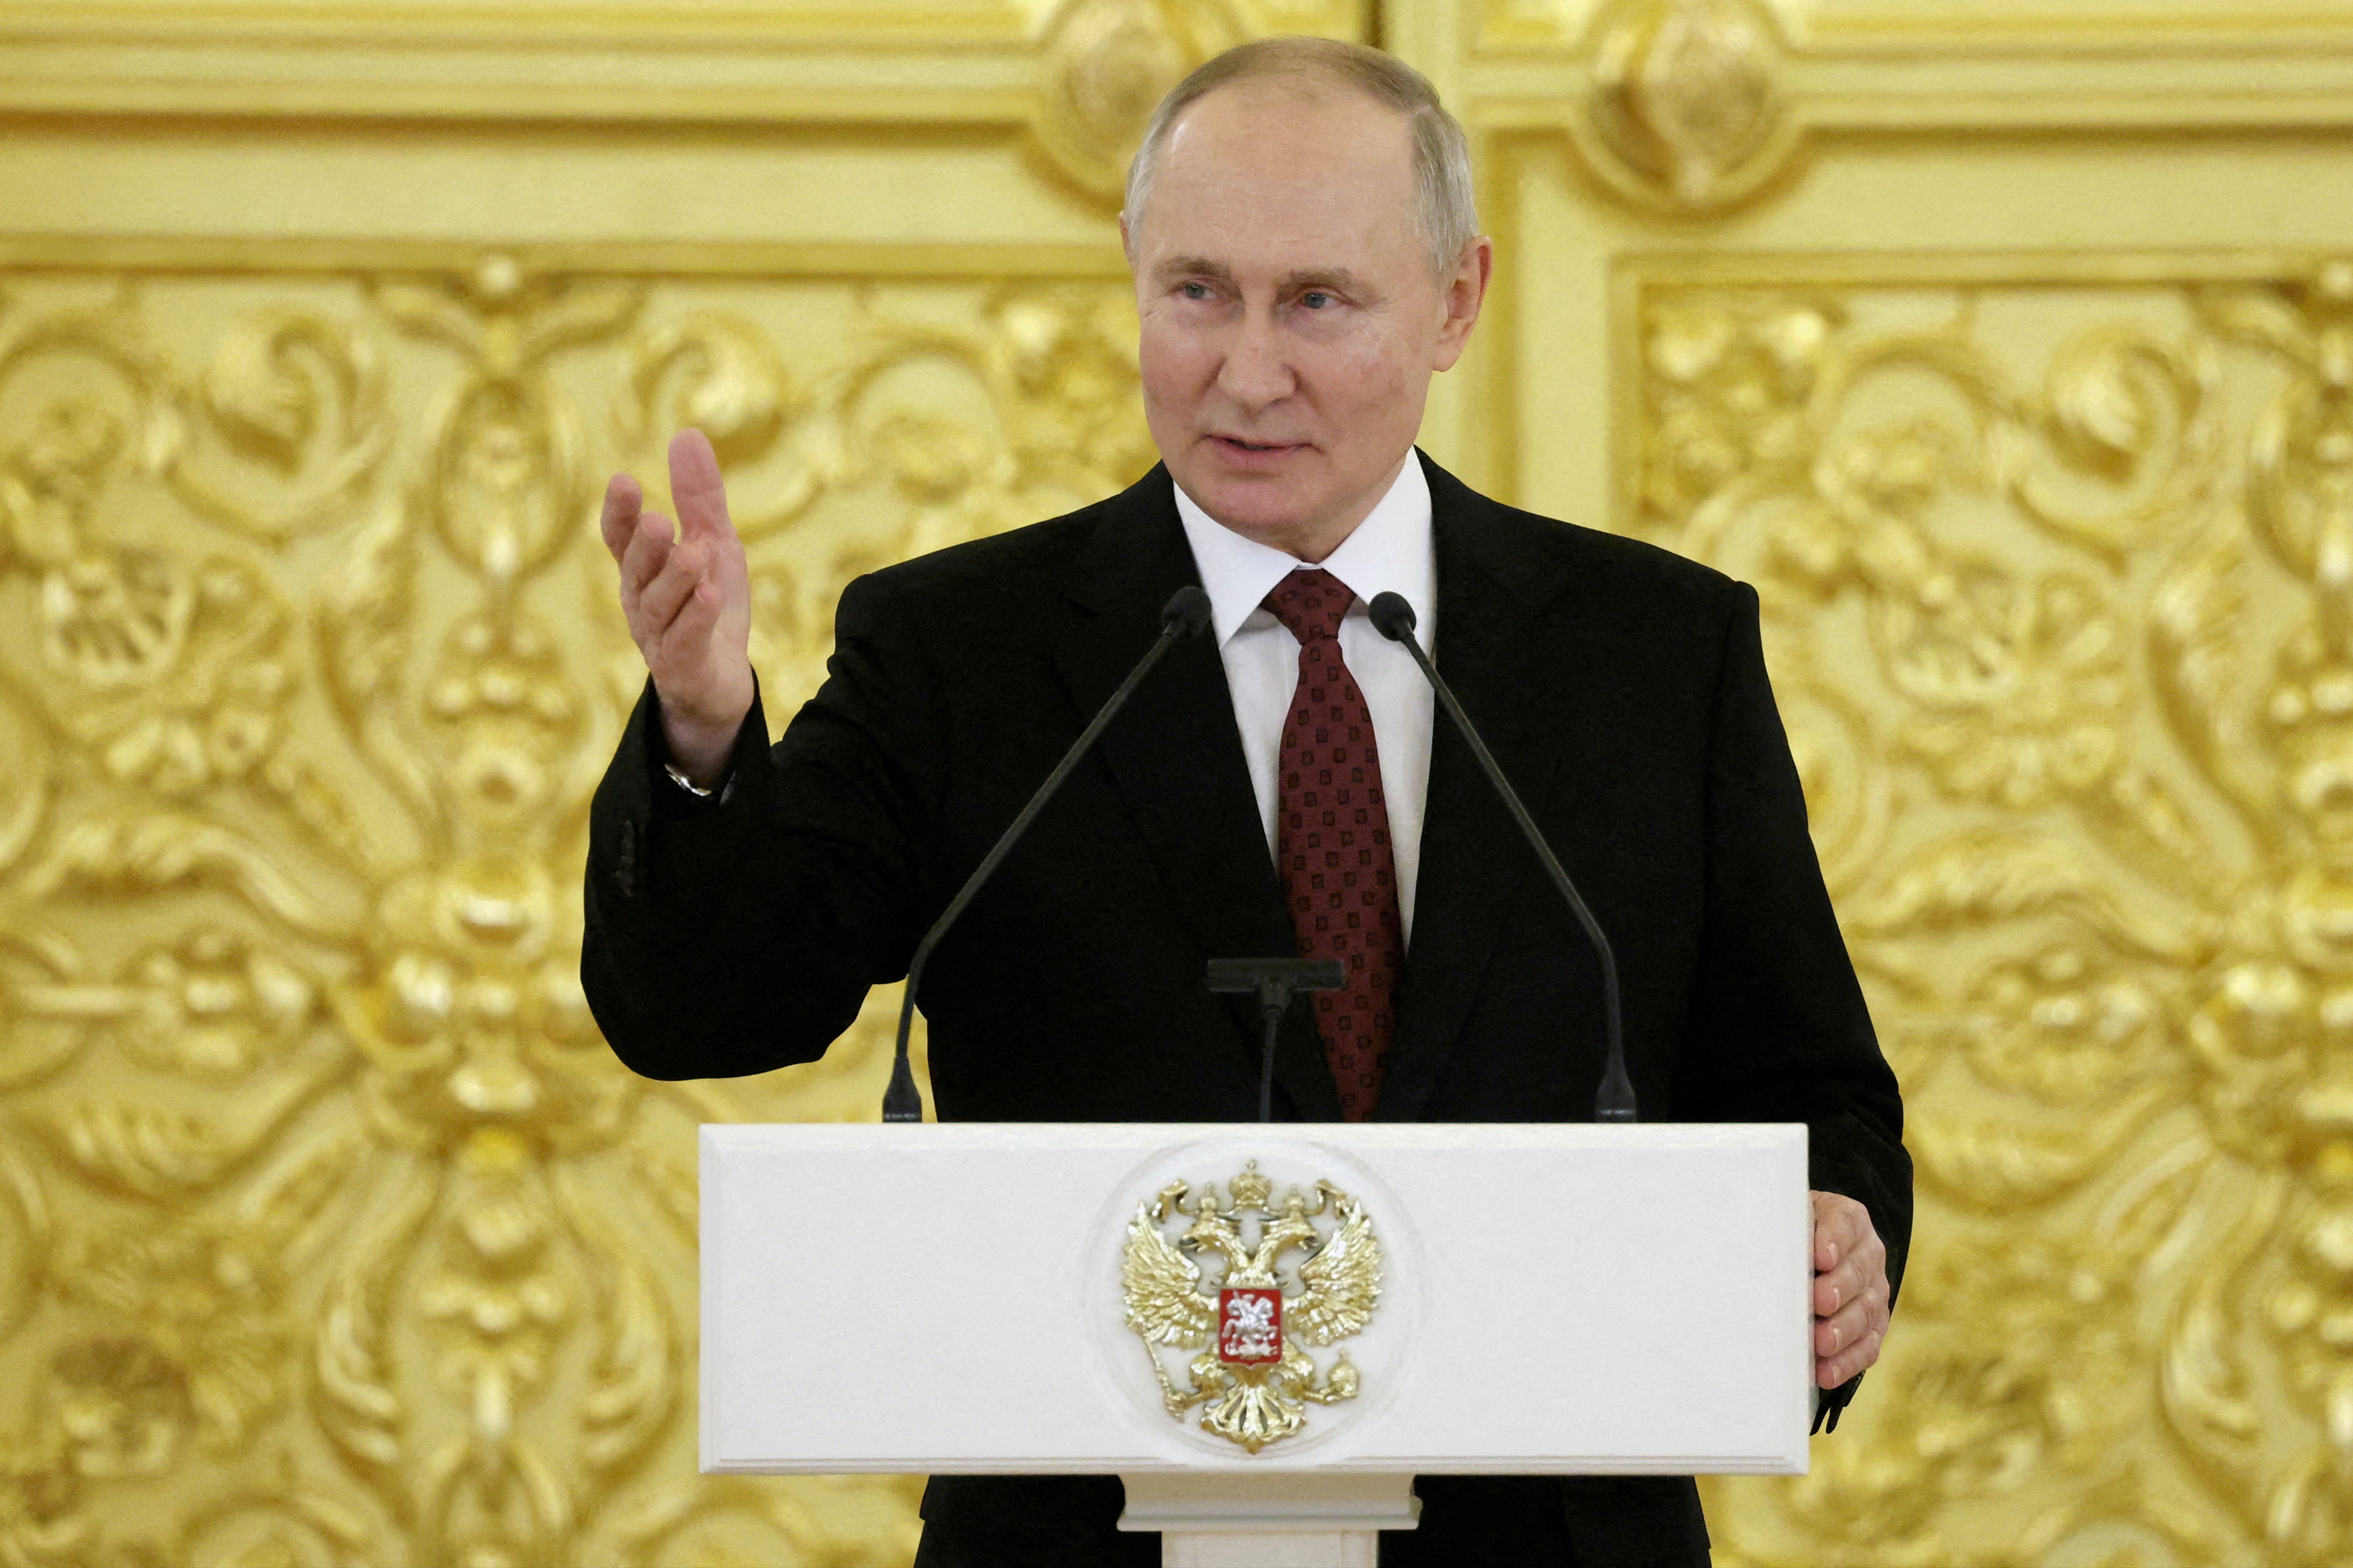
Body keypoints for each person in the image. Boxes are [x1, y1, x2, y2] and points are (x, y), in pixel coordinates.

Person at [584, 36, 1909, 1568]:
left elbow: (1816, 1087)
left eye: (1318, 302)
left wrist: (1836, 1237)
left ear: (1457, 302)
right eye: (1197, 291)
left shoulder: (1653, 653)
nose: (1248, 371)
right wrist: (703, 725)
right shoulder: (966, 648)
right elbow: (706, 1008)